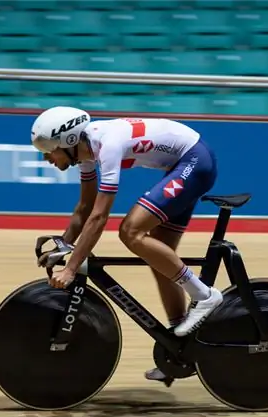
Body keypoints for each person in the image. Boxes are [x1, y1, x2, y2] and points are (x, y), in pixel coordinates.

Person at [30, 106, 223, 383]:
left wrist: (71, 269)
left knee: (130, 231)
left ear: (69, 141)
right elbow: (84, 207)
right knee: (159, 257)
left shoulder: (107, 145)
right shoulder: (85, 153)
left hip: (194, 161)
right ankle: (179, 347)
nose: (46, 158)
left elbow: (99, 216)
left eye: (49, 150)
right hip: (183, 164)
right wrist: (63, 244)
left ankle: (204, 295)